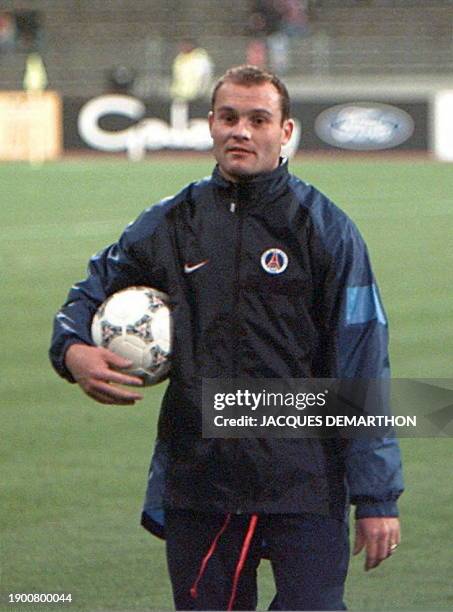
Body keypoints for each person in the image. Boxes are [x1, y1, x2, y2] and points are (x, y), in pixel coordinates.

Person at [50, 65, 403, 611]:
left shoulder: (326, 230)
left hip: (304, 484)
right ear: (211, 124)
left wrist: (377, 496)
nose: (241, 130)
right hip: (203, 484)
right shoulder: (171, 223)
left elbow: (362, 362)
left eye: (258, 119)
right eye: (229, 117)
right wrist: (72, 350)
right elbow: (88, 292)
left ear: (285, 132)